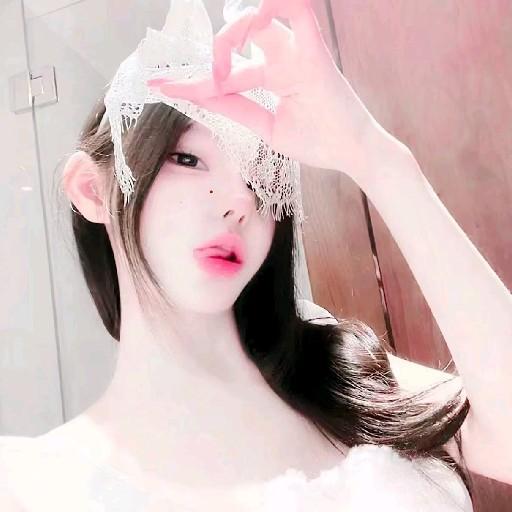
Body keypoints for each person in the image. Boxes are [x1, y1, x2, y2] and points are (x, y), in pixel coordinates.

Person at [3, 0, 511, 509]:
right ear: (91, 190)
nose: (240, 203)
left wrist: (372, 154)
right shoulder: (33, 482)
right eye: (187, 159)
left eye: (260, 178)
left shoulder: (345, 375)